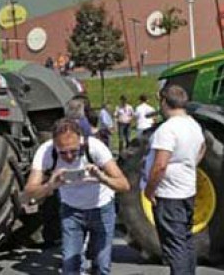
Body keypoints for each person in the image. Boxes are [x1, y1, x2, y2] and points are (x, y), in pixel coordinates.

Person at [22, 118, 130, 275]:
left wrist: (102, 178)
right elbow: (28, 193)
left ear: (80, 141)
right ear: (54, 144)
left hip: (102, 208)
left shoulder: (95, 147)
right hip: (71, 211)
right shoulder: (46, 152)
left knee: (101, 265)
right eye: (63, 152)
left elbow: (124, 185)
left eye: (74, 151)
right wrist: (51, 185)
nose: (69, 157)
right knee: (70, 266)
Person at [142, 85, 205, 275]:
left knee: (174, 246)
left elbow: (160, 164)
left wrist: (150, 190)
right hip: (187, 190)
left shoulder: (167, 129)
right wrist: (189, 164)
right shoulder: (193, 124)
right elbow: (202, 148)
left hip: (169, 194)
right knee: (185, 241)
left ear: (163, 101)